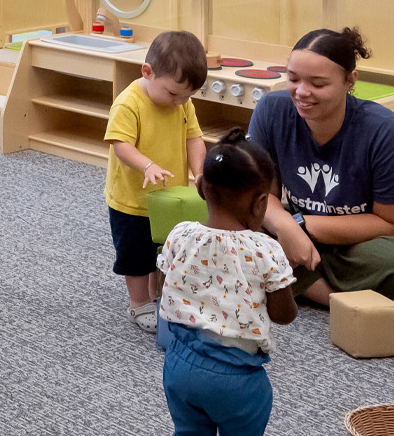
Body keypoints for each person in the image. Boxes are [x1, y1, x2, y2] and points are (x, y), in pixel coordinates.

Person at [249, 26, 394, 327]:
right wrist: (286, 227)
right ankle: (351, 302)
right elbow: (261, 197)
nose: (301, 92)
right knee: (221, 219)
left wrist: (300, 227)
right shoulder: (271, 110)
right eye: (293, 78)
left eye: (318, 83)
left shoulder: (385, 131)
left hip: (370, 241)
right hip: (297, 232)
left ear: (350, 81)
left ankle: (282, 280)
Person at [158, 129, 298, 436]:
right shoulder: (266, 249)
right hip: (235, 379)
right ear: (261, 202)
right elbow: (284, 315)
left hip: (179, 364)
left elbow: (169, 283)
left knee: (188, 430)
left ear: (202, 189)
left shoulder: (180, 234)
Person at [105, 29, 209, 332]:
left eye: (187, 96)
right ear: (147, 72)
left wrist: (199, 172)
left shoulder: (182, 103)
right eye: (173, 93)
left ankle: (157, 294)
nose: (179, 102)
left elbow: (194, 139)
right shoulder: (129, 103)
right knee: (136, 255)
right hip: (132, 201)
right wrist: (147, 165)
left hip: (169, 198)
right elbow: (120, 144)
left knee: (165, 250)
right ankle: (138, 304)